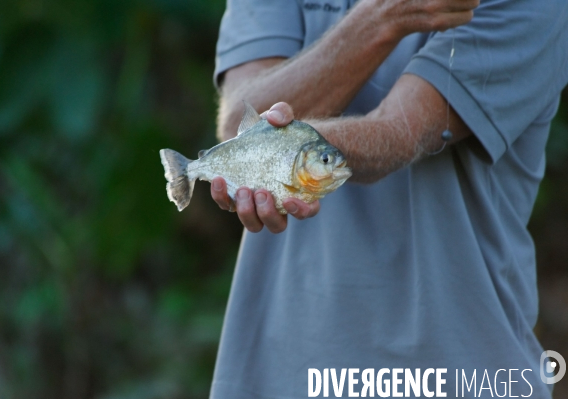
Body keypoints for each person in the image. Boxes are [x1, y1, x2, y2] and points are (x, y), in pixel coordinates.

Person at [209, 0, 568, 397]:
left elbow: (398, 131)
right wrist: (381, 16)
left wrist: (286, 154)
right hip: (279, 372)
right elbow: (238, 126)